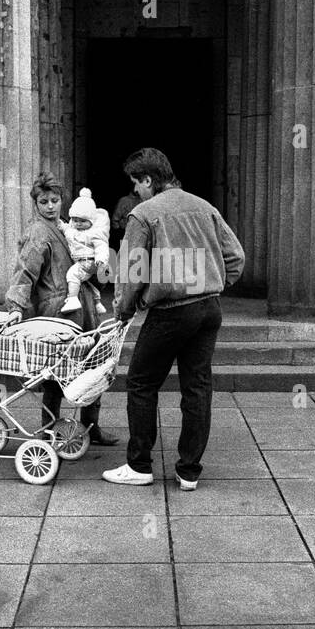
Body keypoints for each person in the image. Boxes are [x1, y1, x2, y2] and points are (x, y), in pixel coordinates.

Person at [103, 148, 245, 491]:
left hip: (170, 312)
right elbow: (236, 256)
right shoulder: (205, 207)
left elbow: (132, 273)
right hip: (209, 308)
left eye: (137, 183)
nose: (135, 190)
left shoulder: (143, 214)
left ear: (149, 180)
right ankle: (189, 471)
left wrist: (123, 310)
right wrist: (213, 282)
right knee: (197, 387)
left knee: (140, 382)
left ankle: (139, 465)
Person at [4, 173, 120, 447]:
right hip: (57, 311)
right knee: (55, 375)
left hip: (82, 305)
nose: (49, 206)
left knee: (94, 365)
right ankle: (47, 431)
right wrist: (16, 305)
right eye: (43, 201)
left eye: (54, 200)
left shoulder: (69, 227)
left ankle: (92, 426)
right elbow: (25, 272)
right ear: (36, 204)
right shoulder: (38, 233)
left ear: (62, 201)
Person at [57, 188, 110, 315]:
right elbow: (67, 230)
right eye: (75, 220)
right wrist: (61, 224)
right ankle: (97, 303)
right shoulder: (73, 230)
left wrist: (101, 260)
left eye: (83, 221)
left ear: (91, 221)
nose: (78, 224)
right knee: (85, 281)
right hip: (88, 264)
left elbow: (101, 246)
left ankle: (73, 299)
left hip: (89, 261)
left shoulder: (94, 233)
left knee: (72, 275)